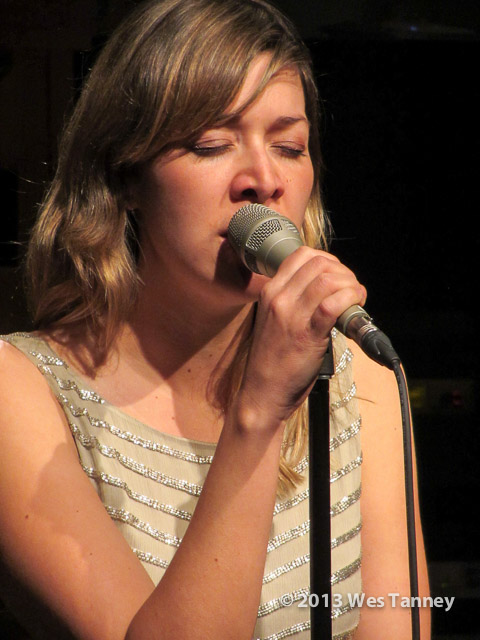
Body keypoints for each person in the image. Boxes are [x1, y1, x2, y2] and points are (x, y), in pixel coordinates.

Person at [0, 0, 430, 638]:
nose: (264, 179)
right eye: (211, 144)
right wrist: (258, 411)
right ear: (125, 176)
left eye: (289, 146)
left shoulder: (359, 378)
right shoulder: (19, 391)